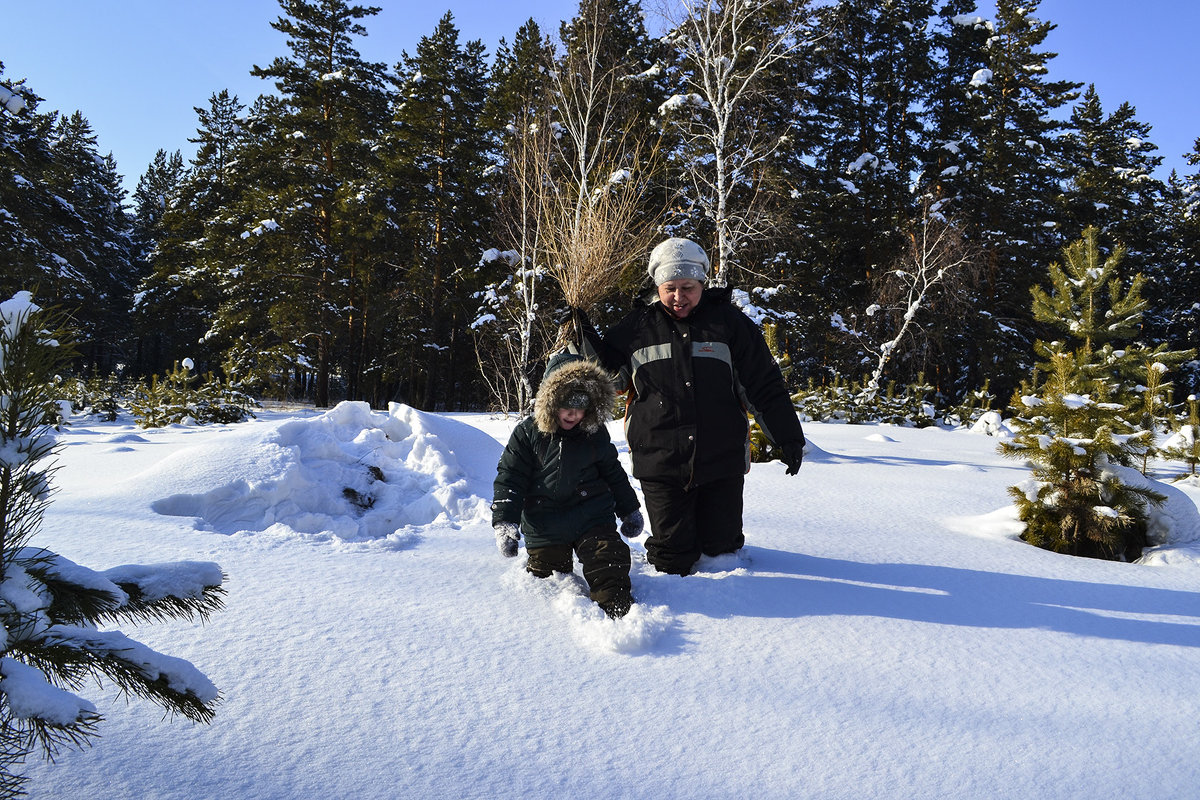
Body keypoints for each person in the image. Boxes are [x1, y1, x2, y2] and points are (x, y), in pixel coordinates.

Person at [575, 236, 805, 576]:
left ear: (702, 283)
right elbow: (609, 381)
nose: (679, 297)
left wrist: (787, 437)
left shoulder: (729, 325)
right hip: (660, 460)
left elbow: (763, 385)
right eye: (670, 288)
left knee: (721, 551)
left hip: (720, 458)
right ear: (657, 286)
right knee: (673, 557)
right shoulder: (636, 328)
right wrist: (585, 341)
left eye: (688, 287)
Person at [492, 353, 645, 618]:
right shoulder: (527, 433)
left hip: (592, 517)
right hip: (545, 520)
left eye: (581, 407)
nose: (574, 414)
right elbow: (510, 478)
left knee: (609, 560)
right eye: (566, 406)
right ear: (550, 402)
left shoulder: (594, 433)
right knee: (548, 572)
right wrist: (505, 523)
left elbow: (613, 473)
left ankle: (620, 613)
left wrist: (629, 509)